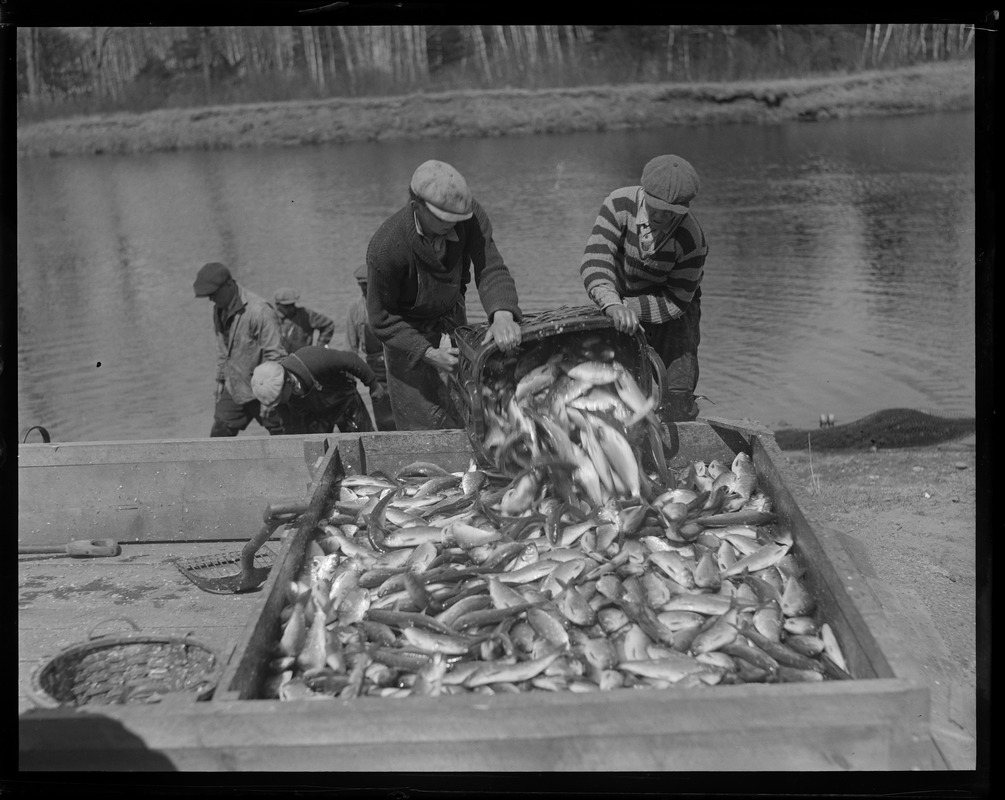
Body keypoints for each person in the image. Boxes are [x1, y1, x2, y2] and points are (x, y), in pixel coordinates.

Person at [365, 159, 523, 431]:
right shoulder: (386, 248)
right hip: (406, 334)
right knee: (423, 428)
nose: (454, 227)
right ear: (417, 207)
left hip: (451, 317)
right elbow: (381, 319)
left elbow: (490, 266)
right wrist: (427, 352)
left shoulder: (469, 216)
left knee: (470, 412)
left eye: (458, 221)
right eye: (444, 221)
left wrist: (503, 315)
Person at [579, 154, 709, 421]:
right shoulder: (618, 205)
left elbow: (676, 300)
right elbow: (595, 261)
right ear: (644, 193)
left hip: (674, 314)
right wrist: (613, 304)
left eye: (671, 212)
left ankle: (680, 420)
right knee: (621, 389)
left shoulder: (692, 240)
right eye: (655, 206)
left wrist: (631, 308)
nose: (661, 216)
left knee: (676, 396)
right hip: (617, 300)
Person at [192, 262, 291, 436]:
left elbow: (276, 355)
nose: (211, 300)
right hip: (235, 386)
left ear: (229, 285)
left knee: (284, 435)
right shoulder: (219, 310)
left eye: (214, 294)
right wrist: (220, 380)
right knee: (219, 434)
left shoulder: (259, 311)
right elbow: (223, 349)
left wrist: (270, 398)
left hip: (263, 386)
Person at [250, 345, 387, 434]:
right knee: (316, 451)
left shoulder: (313, 358)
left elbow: (352, 360)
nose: (279, 403)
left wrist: (373, 385)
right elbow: (290, 424)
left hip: (344, 401)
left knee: (364, 441)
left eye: (279, 398)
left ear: (288, 381)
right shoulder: (278, 396)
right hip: (316, 414)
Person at [346, 264, 396, 431]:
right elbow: (351, 345)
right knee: (381, 405)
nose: (365, 289)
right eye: (361, 285)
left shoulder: (391, 302)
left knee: (404, 403)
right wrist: (349, 375)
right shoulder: (355, 309)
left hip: (395, 360)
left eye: (367, 284)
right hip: (374, 366)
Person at [273, 287, 336, 353]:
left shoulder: (306, 315)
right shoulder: (270, 318)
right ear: (277, 305)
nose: (291, 308)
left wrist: (320, 347)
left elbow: (328, 325)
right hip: (278, 358)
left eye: (292, 305)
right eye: (286, 306)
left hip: (301, 357)